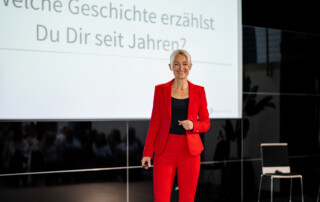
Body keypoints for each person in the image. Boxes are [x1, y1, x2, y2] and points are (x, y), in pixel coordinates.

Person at [141, 49, 211, 202]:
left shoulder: (199, 91)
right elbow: (155, 123)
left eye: (185, 64)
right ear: (170, 66)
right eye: (177, 64)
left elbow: (206, 123)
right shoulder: (160, 90)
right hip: (164, 151)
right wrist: (147, 153)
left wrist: (193, 125)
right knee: (161, 199)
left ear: (190, 66)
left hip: (190, 153)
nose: (181, 68)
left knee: (187, 199)